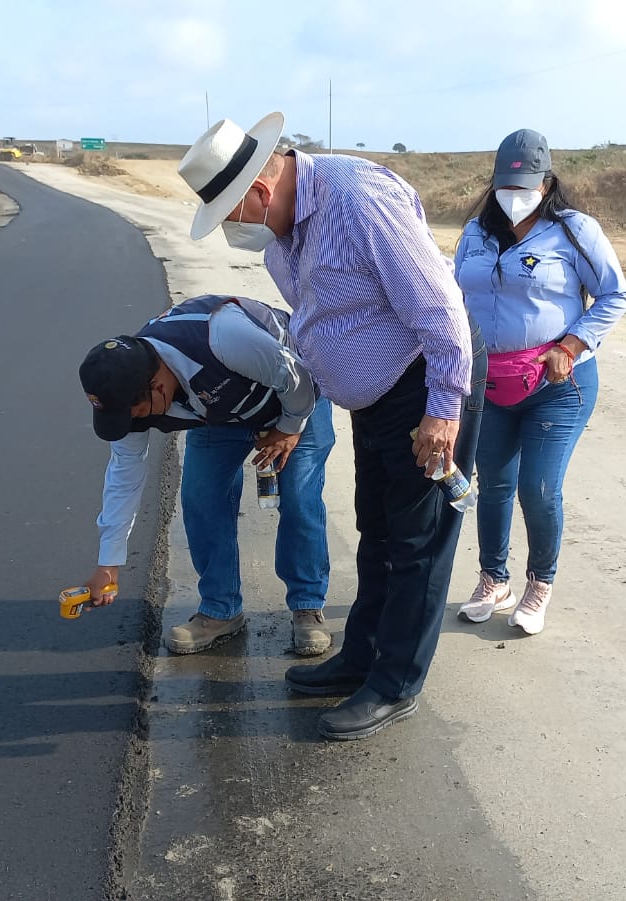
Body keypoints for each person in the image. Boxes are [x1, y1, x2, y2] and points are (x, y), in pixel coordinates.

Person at [178, 112, 486, 741]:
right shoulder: (286, 230)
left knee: (417, 542)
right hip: (376, 399)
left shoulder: (357, 200)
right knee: (377, 530)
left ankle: (395, 684)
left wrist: (442, 410)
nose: (234, 231)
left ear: (259, 191)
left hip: (424, 384)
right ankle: (361, 658)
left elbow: (440, 309)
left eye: (233, 216)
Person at [76, 293, 336, 657]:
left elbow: (295, 377)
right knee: (201, 496)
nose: (131, 422)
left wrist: (289, 428)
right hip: (218, 411)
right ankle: (220, 609)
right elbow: (124, 474)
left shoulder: (223, 338)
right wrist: (109, 563)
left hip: (295, 395)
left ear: (158, 387)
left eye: (134, 413)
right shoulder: (127, 396)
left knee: (299, 499)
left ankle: (307, 607)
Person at [452, 128, 626, 635]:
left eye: (525, 186)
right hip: (490, 382)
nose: (514, 196)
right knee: (493, 485)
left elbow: (615, 296)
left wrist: (570, 346)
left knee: (538, 487)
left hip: (556, 385)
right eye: (505, 186)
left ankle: (539, 583)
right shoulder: (475, 233)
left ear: (546, 184)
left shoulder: (574, 231)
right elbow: (456, 295)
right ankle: (494, 579)